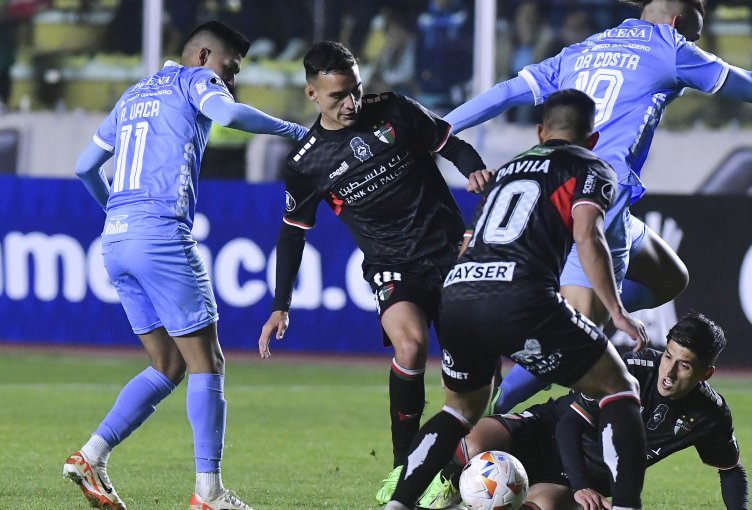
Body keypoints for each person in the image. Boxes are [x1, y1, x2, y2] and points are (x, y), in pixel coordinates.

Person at [444, 0, 752, 414]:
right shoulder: (671, 46)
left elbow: (504, 93)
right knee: (571, 341)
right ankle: (472, 429)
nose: (697, 35)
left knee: (669, 277)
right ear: (678, 22)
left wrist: (434, 128)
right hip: (599, 198)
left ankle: (566, 315)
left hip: (554, 187)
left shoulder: (586, 48)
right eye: (696, 24)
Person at [65, 21, 309, 510]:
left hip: (114, 239)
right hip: (160, 233)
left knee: (168, 364)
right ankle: (209, 493)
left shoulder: (134, 93)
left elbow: (83, 166)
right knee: (208, 361)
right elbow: (230, 114)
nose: (229, 80)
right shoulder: (194, 81)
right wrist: (297, 131)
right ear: (202, 56)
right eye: (228, 68)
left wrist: (117, 212)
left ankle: (91, 456)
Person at [384, 89, 649, 510]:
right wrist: (615, 310)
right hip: (522, 293)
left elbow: (470, 240)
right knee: (620, 388)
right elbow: (589, 234)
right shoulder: (590, 166)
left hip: (459, 291)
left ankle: (398, 504)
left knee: (458, 412)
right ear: (593, 138)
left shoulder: (508, 170)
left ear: (540, 132)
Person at [254, 41, 492, 505]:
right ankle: (405, 471)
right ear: (311, 94)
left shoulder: (396, 110)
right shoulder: (306, 163)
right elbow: (292, 235)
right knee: (411, 344)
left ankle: (452, 463)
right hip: (392, 266)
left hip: (451, 255)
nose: (350, 104)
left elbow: (452, 144)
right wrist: (281, 304)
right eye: (337, 96)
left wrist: (475, 168)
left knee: (469, 384)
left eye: (355, 91)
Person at [418, 312, 748, 510]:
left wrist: (580, 486)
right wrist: (579, 485)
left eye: (685, 366)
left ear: (706, 373)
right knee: (474, 441)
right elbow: (569, 427)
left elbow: (731, 469)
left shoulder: (711, 415)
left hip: (587, 476)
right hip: (548, 433)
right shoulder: (629, 370)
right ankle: (442, 485)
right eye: (668, 357)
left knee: (543, 506)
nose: (669, 372)